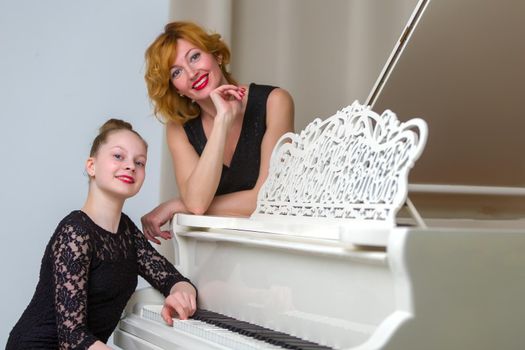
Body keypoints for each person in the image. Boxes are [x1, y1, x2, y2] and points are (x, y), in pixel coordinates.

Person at [6, 119, 197, 350]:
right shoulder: (75, 232)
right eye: (118, 156)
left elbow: (170, 278)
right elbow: (72, 337)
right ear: (91, 166)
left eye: (140, 162)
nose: (130, 166)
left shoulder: (127, 232)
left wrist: (181, 294)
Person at [140, 21, 295, 243]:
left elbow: (269, 199)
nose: (192, 73)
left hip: (272, 243)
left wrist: (177, 204)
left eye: (194, 57)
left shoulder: (275, 102)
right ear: (176, 88)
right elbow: (197, 203)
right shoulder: (178, 128)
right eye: (177, 72)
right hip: (211, 249)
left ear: (217, 56)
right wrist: (223, 120)